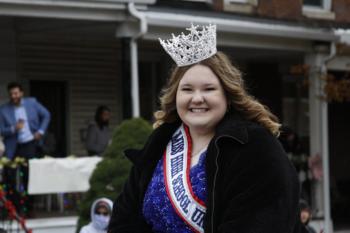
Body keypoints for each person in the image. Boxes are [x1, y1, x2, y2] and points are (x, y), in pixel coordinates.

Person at [108, 24, 300, 233]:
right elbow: (124, 218)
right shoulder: (159, 143)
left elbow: (262, 221)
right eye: (187, 89)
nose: (197, 98)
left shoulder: (256, 146)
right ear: (175, 95)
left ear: (227, 94)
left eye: (209, 89)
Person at [0, 82, 51, 214]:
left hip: (30, 144)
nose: (13, 96)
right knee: (8, 176)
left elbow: (46, 114)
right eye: (11, 93)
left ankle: (29, 207)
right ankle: (15, 206)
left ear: (21, 93)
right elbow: (1, 130)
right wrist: (13, 128)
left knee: (28, 176)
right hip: (13, 147)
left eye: (16, 93)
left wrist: (41, 131)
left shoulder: (32, 103)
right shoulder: (4, 109)